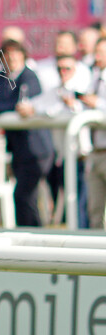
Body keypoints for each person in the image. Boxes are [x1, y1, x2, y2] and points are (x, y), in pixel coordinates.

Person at [0, 39, 54, 227]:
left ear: (23, 55)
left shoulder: (30, 77)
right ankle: (30, 238)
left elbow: (16, 105)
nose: (12, 57)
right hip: (18, 149)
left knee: (24, 196)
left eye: (16, 52)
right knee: (24, 197)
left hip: (37, 149)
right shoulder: (0, 77)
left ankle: (34, 238)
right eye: (7, 53)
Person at [31, 55, 89, 227]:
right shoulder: (55, 91)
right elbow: (38, 105)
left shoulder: (84, 89)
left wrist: (72, 103)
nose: (63, 73)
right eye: (60, 69)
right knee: (69, 201)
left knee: (82, 203)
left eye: (67, 69)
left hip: (82, 156)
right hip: (62, 156)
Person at [81, 37, 106, 229]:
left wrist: (95, 103)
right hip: (95, 152)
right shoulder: (94, 78)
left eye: (101, 52)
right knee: (94, 212)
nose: (96, 56)